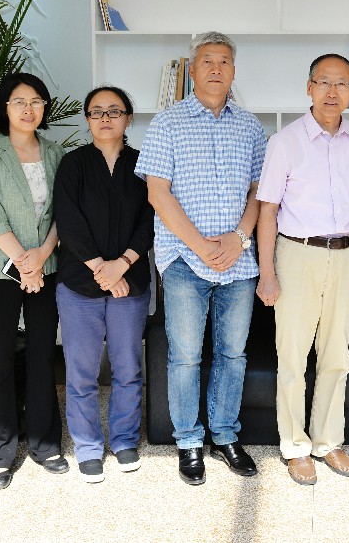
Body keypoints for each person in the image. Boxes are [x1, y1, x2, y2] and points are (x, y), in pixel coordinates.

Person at [136, 31, 267, 486]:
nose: (216, 68)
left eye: (224, 61)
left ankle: (225, 435)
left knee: (233, 353)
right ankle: (189, 441)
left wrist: (238, 238)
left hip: (239, 261)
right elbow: (157, 193)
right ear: (192, 71)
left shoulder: (250, 127)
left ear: (233, 71)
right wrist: (201, 246)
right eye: (207, 60)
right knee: (186, 356)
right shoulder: (167, 123)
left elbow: (259, 192)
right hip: (183, 260)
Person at [256, 54, 349, 486]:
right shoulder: (285, 142)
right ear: (308, 87)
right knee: (292, 355)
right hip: (297, 254)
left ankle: (328, 441)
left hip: (347, 255)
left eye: (342, 83)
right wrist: (267, 272)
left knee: (336, 353)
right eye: (324, 82)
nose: (333, 91)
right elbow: (268, 210)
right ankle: (295, 445)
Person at [53, 86, 154, 483]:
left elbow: (151, 219)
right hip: (80, 283)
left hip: (131, 281)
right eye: (97, 111)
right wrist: (102, 269)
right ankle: (88, 445)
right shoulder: (73, 164)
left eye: (114, 110)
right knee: (81, 372)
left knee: (128, 367)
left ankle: (125, 440)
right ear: (88, 119)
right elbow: (67, 220)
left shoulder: (145, 163)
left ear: (129, 118)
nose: (105, 118)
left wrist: (122, 264)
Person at [0, 73, 68, 490]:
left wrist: (41, 257)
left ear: (44, 108)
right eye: (19, 101)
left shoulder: (57, 154)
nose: (29, 109)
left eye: (36, 101)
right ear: (5, 107)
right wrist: (24, 265)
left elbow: (64, 213)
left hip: (47, 265)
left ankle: (45, 445)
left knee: (43, 355)